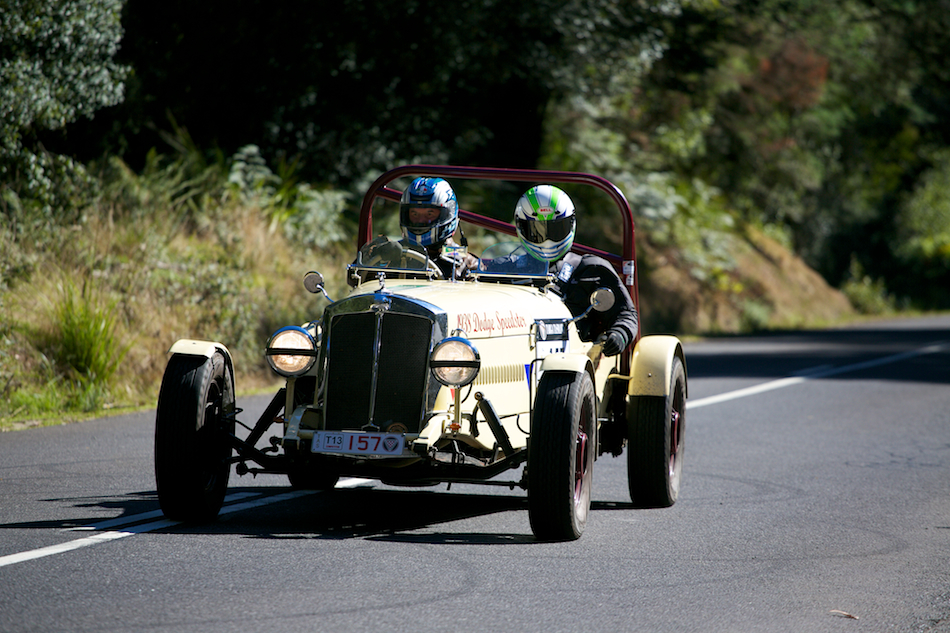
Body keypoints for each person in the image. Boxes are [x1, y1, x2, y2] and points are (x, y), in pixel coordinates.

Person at [514, 184, 638, 356]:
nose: (547, 240)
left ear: (570, 225)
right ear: (522, 228)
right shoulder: (509, 266)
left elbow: (625, 313)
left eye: (556, 229)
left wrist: (619, 335)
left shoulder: (592, 269)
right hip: (520, 352)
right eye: (537, 231)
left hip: (576, 362)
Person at [353, 177, 477, 285]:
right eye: (414, 214)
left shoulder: (465, 262)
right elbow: (354, 279)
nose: (421, 220)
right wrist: (374, 255)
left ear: (447, 215)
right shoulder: (391, 250)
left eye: (429, 213)